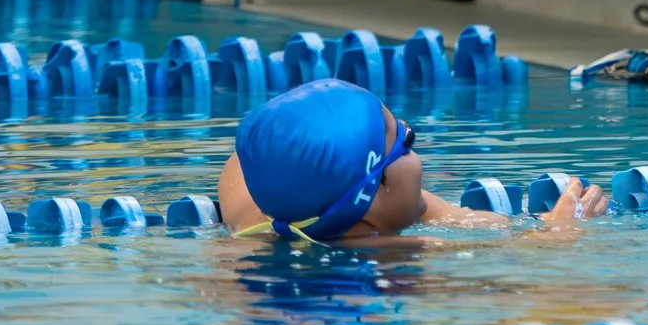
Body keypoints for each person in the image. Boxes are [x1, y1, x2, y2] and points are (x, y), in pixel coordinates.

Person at [217, 77, 607, 240]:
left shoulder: (250, 206)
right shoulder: (396, 260)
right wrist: (562, 229)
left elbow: (250, 152)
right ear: (376, 190)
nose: (408, 131)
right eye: (406, 140)